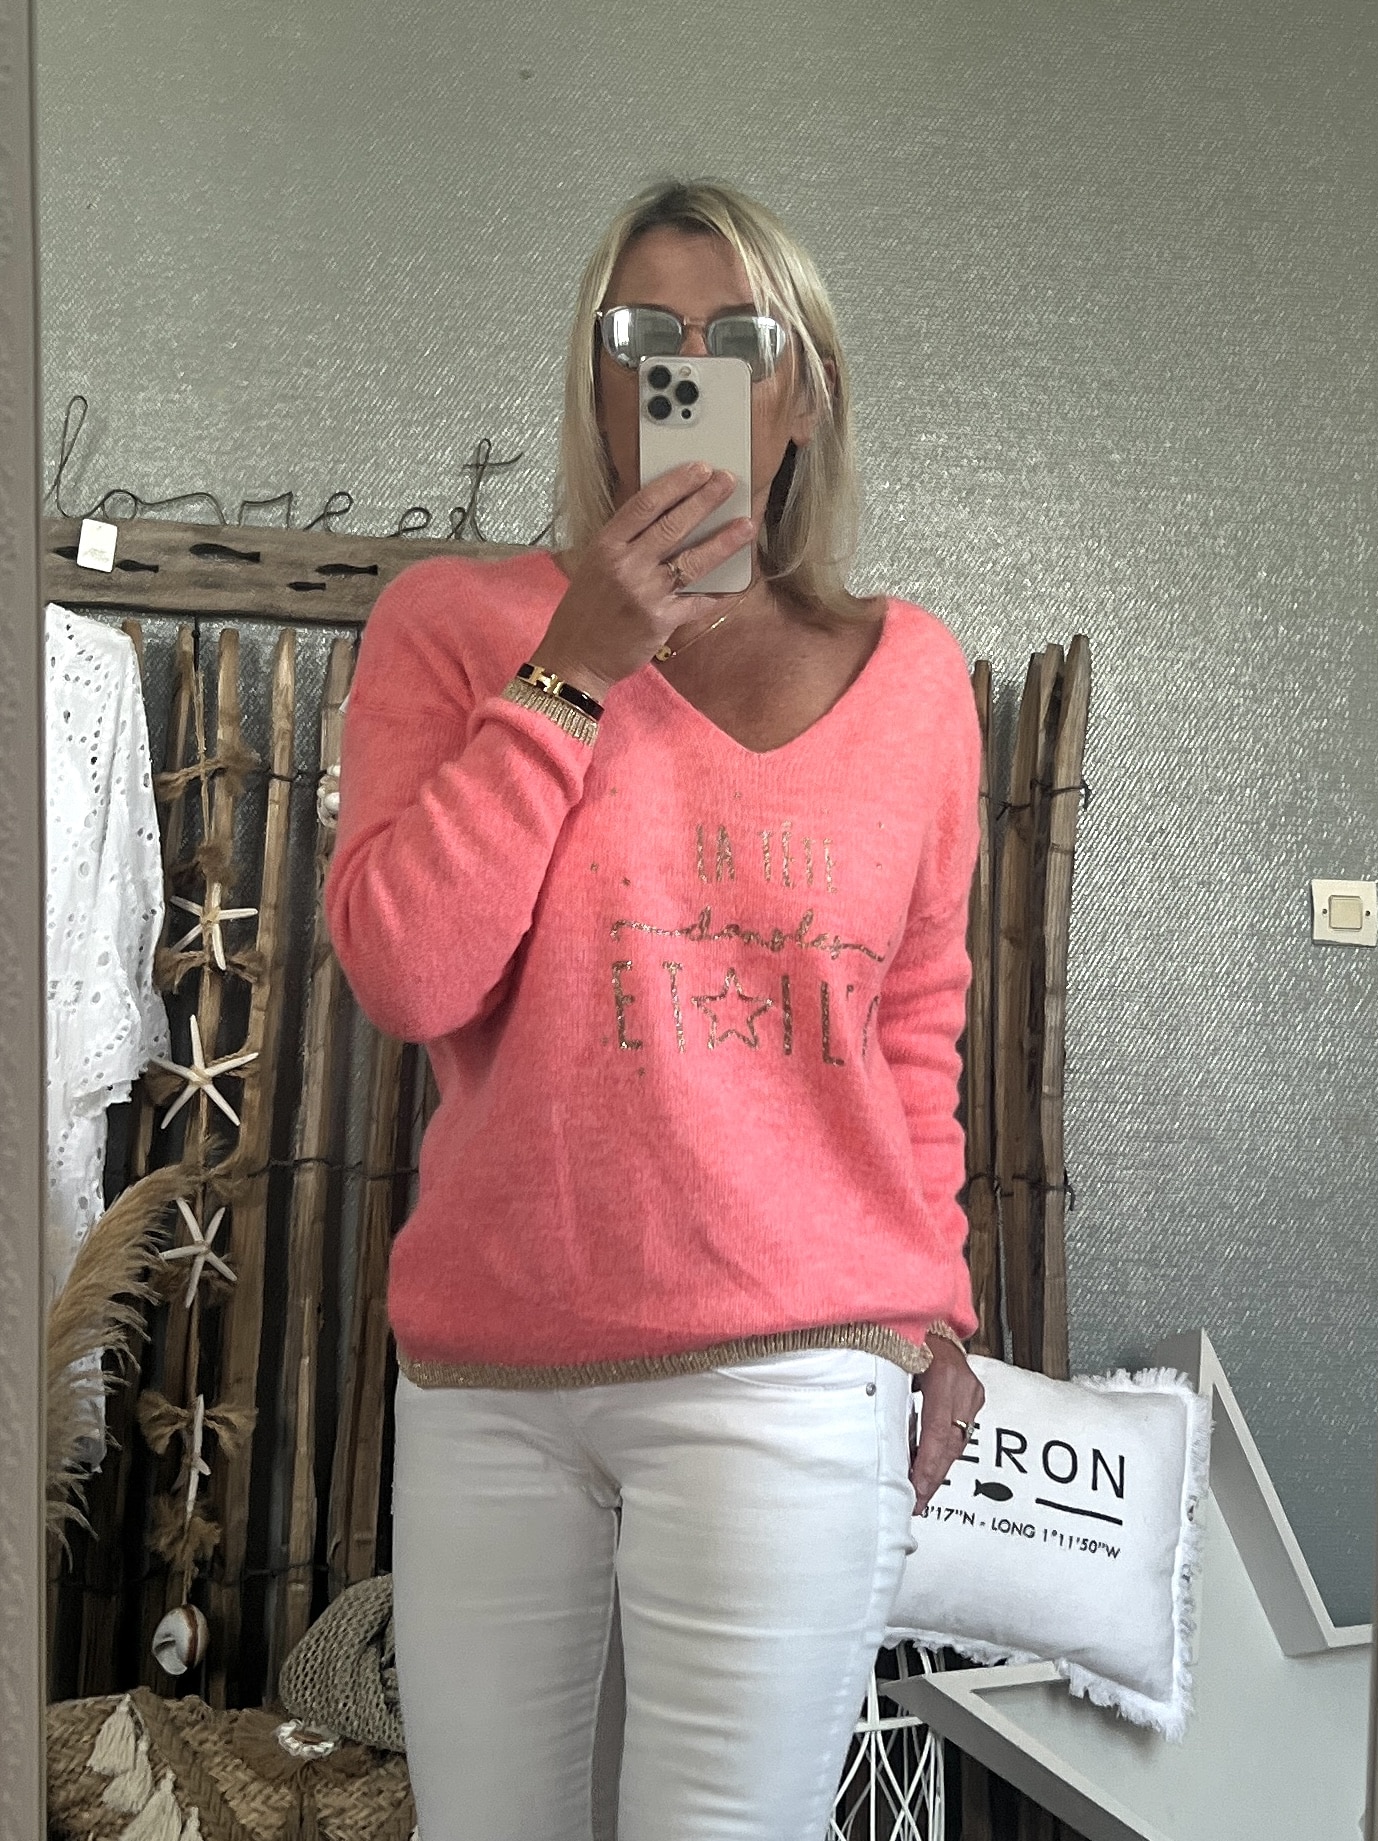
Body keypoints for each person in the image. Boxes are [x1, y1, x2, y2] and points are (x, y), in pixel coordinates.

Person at [325, 177, 985, 1841]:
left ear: (798, 392)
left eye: (735, 336)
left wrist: (941, 1307)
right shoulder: (451, 626)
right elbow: (407, 970)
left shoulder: (911, 675)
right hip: (492, 1376)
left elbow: (914, 1023)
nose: (685, 368)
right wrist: (572, 668)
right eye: (643, 335)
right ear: (595, 378)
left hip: (791, 1367)